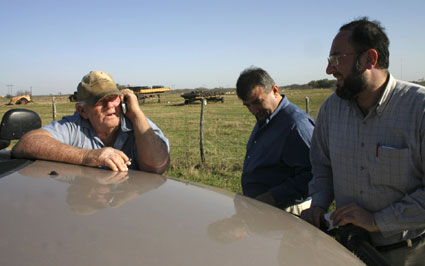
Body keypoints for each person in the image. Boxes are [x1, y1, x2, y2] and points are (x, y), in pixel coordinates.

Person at [301, 17, 425, 265]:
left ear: (370, 59)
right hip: (347, 249)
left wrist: (377, 221)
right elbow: (322, 167)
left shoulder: (418, 109)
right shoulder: (330, 110)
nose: (328, 70)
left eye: (336, 59)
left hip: (406, 253)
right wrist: (319, 204)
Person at [12, 71, 170, 174]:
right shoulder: (74, 126)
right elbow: (26, 143)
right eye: (99, 101)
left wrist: (136, 114)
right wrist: (87, 156)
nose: (109, 106)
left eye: (113, 98)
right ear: (82, 111)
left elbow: (158, 166)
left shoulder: (138, 123)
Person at [236, 67, 314, 215]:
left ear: (275, 90)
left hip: (287, 212)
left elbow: (315, 174)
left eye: (257, 102)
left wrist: (272, 197)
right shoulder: (266, 117)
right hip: (264, 210)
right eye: (248, 106)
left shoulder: (296, 125)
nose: (253, 110)